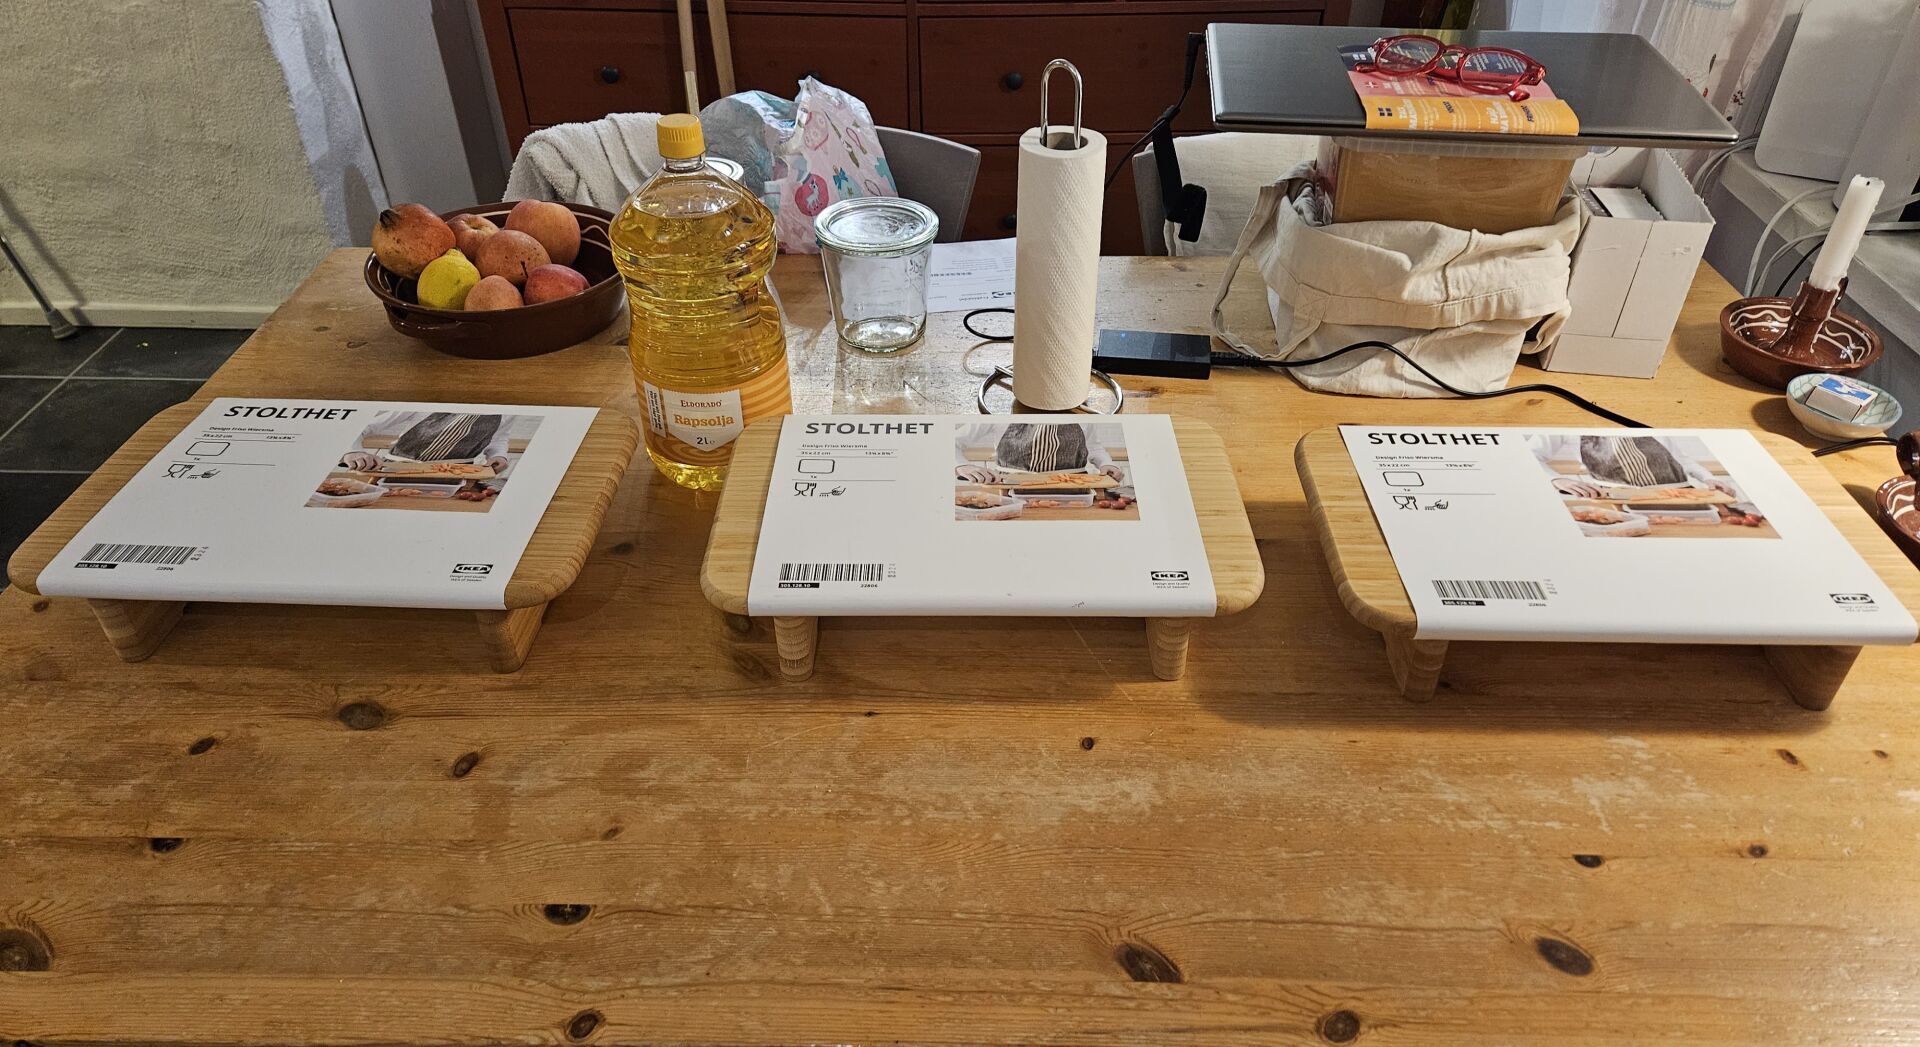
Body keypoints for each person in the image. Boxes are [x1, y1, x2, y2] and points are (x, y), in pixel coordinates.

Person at [1530, 434, 1736, 498]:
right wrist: (1555, 478)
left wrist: (1709, 478)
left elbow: (1682, 459)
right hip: (1619, 497)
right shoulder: (1568, 425)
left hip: (1678, 494)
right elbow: (1529, 455)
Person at [954, 422, 1125, 483]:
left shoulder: (1081, 414)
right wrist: (961, 465)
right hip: (1011, 487)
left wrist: (1105, 462)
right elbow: (951, 441)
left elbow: (1093, 446)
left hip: (1074, 490)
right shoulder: (999, 414)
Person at [341, 411, 511, 472]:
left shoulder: (508, 411)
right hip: (397, 470)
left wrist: (499, 455)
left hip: (457, 475)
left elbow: (499, 436)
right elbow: (362, 427)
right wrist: (353, 451)